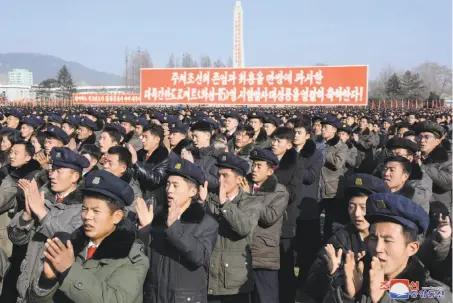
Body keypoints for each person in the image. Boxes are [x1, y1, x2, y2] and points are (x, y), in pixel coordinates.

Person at [29, 170, 148, 303]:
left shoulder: (132, 259)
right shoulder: (71, 246)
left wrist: (69, 270)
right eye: (85, 209)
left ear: (117, 217)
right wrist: (47, 280)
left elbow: (115, 299)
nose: (87, 217)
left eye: (96, 211)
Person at [324, 193, 452, 303]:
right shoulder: (358, 277)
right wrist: (346, 295)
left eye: (388, 240)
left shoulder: (429, 292)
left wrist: (382, 298)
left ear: (412, 248)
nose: (378, 248)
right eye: (374, 238)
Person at [8, 147, 89, 303]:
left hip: (51, 295)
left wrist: (42, 214)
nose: (52, 175)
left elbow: (72, 241)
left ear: (75, 176)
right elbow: (16, 239)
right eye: (52, 170)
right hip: (24, 290)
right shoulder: (42, 198)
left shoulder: (82, 208)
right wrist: (27, 215)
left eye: (59, 171)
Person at [137, 157, 219, 303]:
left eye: (176, 185)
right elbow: (144, 257)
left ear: (192, 191)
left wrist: (174, 227)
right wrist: (144, 229)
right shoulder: (157, 218)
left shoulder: (205, 222)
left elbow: (198, 257)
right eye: (168, 184)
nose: (169, 190)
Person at [306, 174, 390, 302]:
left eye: (363, 207)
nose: (357, 214)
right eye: (352, 206)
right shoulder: (339, 240)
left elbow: (412, 288)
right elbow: (312, 286)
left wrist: (379, 287)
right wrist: (331, 273)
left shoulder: (391, 241)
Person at [202, 152, 263, 303]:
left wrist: (225, 204)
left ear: (239, 179)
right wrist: (201, 204)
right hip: (209, 275)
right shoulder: (210, 198)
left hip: (234, 280)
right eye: (219, 175)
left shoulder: (251, 202)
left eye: (225, 176)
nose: (220, 180)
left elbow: (243, 228)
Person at [245, 148, 288, 303]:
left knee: (265, 298)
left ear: (270, 171)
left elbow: (269, 217)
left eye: (259, 166)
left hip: (264, 255)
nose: (254, 169)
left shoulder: (279, 192)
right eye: (253, 165)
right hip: (241, 252)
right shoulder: (244, 184)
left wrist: (248, 197)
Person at [270, 127, 304, 303]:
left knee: (284, 267)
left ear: (289, 145)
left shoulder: (295, 164)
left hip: (284, 221)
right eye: (273, 140)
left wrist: (271, 186)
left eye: (279, 141)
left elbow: (294, 193)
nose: (274, 144)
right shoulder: (266, 159)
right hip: (263, 221)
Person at [0, 141, 41, 257]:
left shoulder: (23, 180)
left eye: (16, 153)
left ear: (28, 157)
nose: (11, 156)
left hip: (6, 236)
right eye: (11, 152)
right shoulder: (7, 171)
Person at [319, 116, 349, 240]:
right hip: (316, 186)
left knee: (330, 221)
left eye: (325, 127)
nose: (322, 129)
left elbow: (338, 163)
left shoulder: (341, 146)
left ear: (334, 130)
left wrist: (324, 151)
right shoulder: (318, 143)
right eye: (322, 127)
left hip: (331, 189)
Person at [415, 121, 452, 212]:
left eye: (427, 137)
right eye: (420, 137)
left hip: (439, 209)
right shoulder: (413, 156)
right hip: (417, 207)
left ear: (437, 141)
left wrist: (423, 167)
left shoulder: (447, 158)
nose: (422, 140)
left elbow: (448, 182)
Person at [128, 123, 169, 204]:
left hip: (151, 202)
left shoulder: (164, 157)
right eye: (142, 137)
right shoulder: (139, 154)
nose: (142, 140)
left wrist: (136, 163)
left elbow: (156, 180)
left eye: (146, 137)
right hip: (134, 197)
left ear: (157, 139)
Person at [190, 121, 219, 190]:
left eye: (196, 136)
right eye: (193, 136)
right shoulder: (190, 152)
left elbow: (215, 182)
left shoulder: (216, 156)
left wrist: (192, 165)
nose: (194, 140)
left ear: (208, 136)